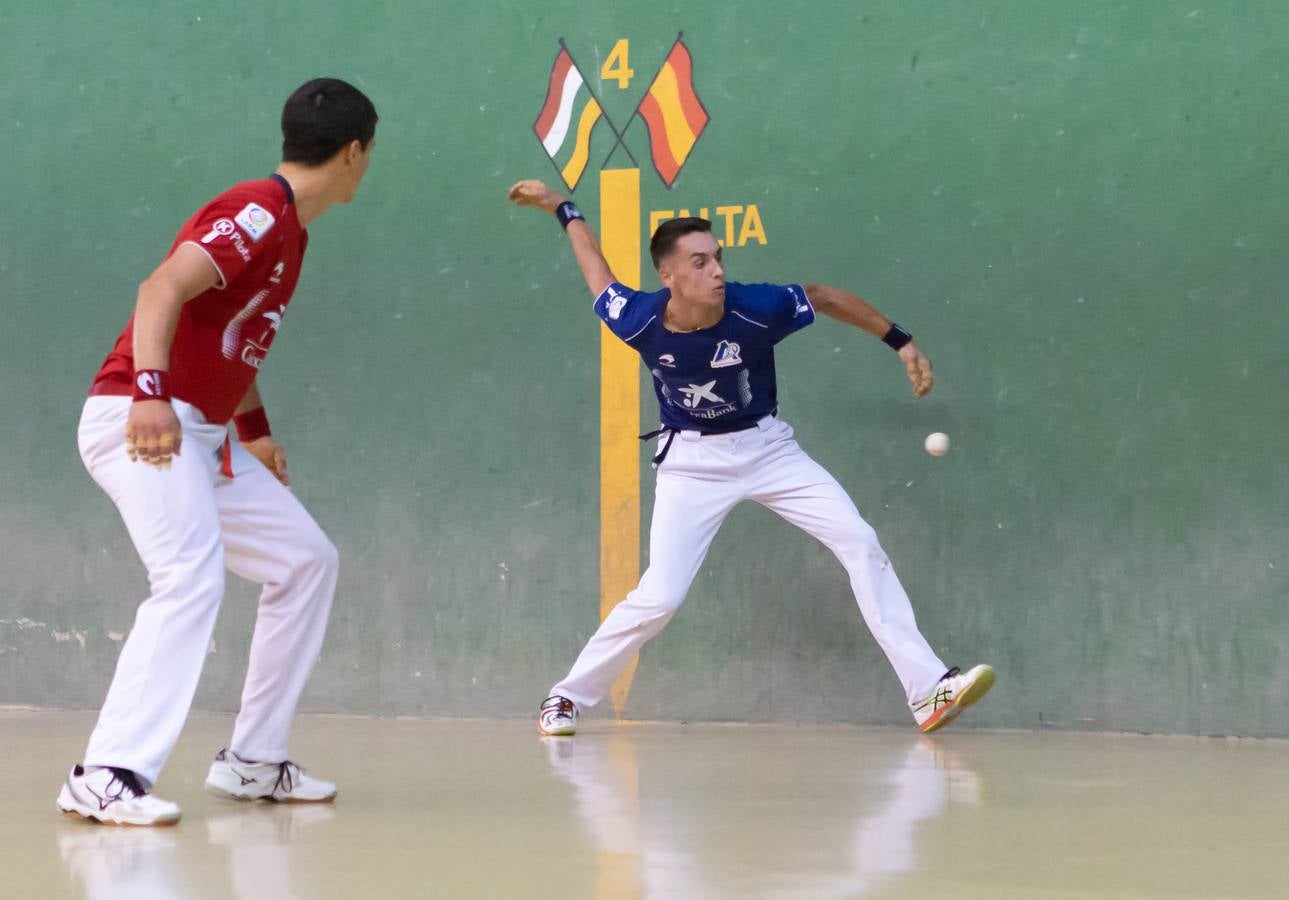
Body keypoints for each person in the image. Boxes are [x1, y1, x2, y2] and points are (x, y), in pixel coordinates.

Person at [507, 178, 994, 738]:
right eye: (699, 262)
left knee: (859, 541)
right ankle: (565, 697)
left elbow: (826, 296)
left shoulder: (756, 307)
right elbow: (597, 273)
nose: (716, 271)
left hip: (768, 451)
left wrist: (901, 341)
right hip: (690, 464)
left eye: (717, 258)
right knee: (660, 597)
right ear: (669, 277)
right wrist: (562, 207)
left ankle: (929, 689)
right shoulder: (637, 318)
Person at [57, 78, 378, 826]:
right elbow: (161, 288)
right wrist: (148, 391)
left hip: (199, 431)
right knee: (189, 575)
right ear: (355, 152)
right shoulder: (258, 210)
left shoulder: (291, 229)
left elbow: (235, 343)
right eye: (369, 156)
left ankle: (253, 763)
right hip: (139, 417)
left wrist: (255, 429)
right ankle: (106, 772)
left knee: (305, 560)